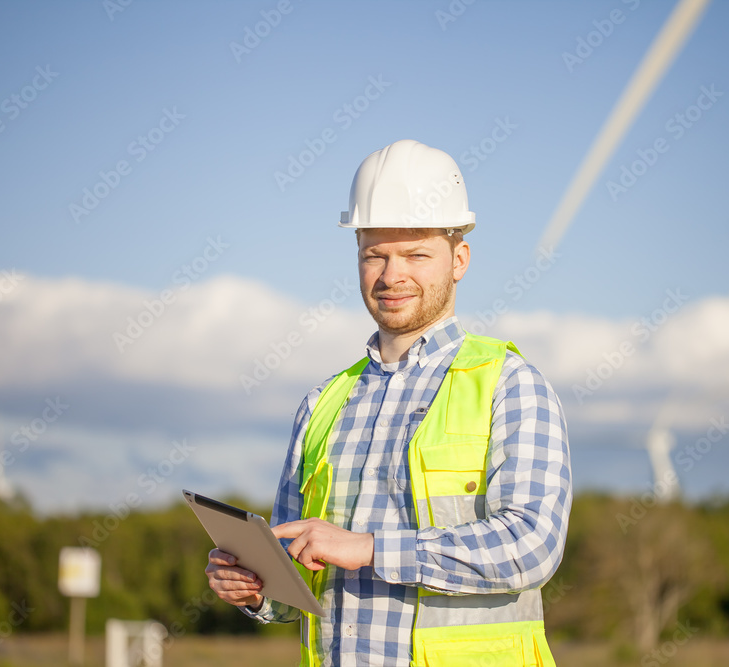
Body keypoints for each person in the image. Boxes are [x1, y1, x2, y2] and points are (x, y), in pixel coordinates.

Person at [206, 139, 572, 666]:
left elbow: (531, 544)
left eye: (416, 254)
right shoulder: (322, 405)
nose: (391, 274)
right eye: (374, 253)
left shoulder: (510, 385)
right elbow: (296, 583)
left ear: (459, 259)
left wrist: (371, 548)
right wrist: (256, 586)